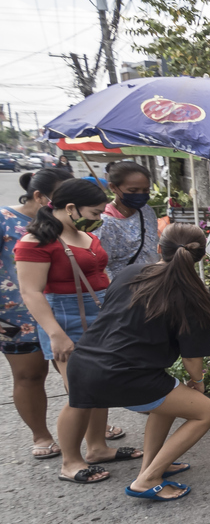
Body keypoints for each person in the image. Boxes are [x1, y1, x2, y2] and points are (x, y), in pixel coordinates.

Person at [61, 224, 210, 499]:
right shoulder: (195, 297)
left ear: (159, 249)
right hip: (127, 376)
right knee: (206, 411)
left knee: (169, 397)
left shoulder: (129, 273)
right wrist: (198, 383)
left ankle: (154, 463)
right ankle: (147, 479)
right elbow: (192, 359)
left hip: (84, 362)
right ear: (201, 258)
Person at [15, 178, 141, 485]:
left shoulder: (82, 234)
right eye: (95, 212)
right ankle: (70, 462)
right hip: (67, 320)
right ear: (70, 208)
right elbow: (31, 292)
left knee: (97, 387)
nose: (99, 217)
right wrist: (56, 334)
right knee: (80, 394)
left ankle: (97, 447)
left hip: (100, 317)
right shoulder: (35, 242)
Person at [2, 169, 71, 458]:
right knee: (29, 375)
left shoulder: (67, 220)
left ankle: (90, 425)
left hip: (64, 309)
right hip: (17, 314)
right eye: (61, 198)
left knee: (79, 373)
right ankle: (41, 435)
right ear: (39, 196)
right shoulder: (5, 220)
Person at [98, 160, 161, 279]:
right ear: (113, 187)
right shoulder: (105, 223)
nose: (140, 194)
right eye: (133, 190)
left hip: (152, 284)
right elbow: (102, 267)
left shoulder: (146, 211)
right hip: (123, 289)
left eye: (145, 190)